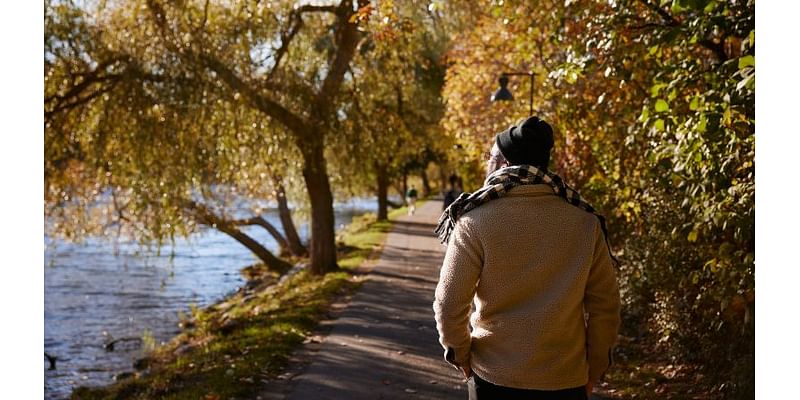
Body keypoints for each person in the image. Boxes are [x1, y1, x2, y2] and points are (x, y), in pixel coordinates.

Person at [433, 116, 621, 400]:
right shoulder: (585, 222)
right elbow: (605, 306)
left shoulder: (474, 221)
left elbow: (449, 303)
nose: (487, 163)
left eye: (490, 156)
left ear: (504, 163)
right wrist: (594, 370)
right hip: (565, 379)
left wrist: (460, 355)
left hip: (494, 376)